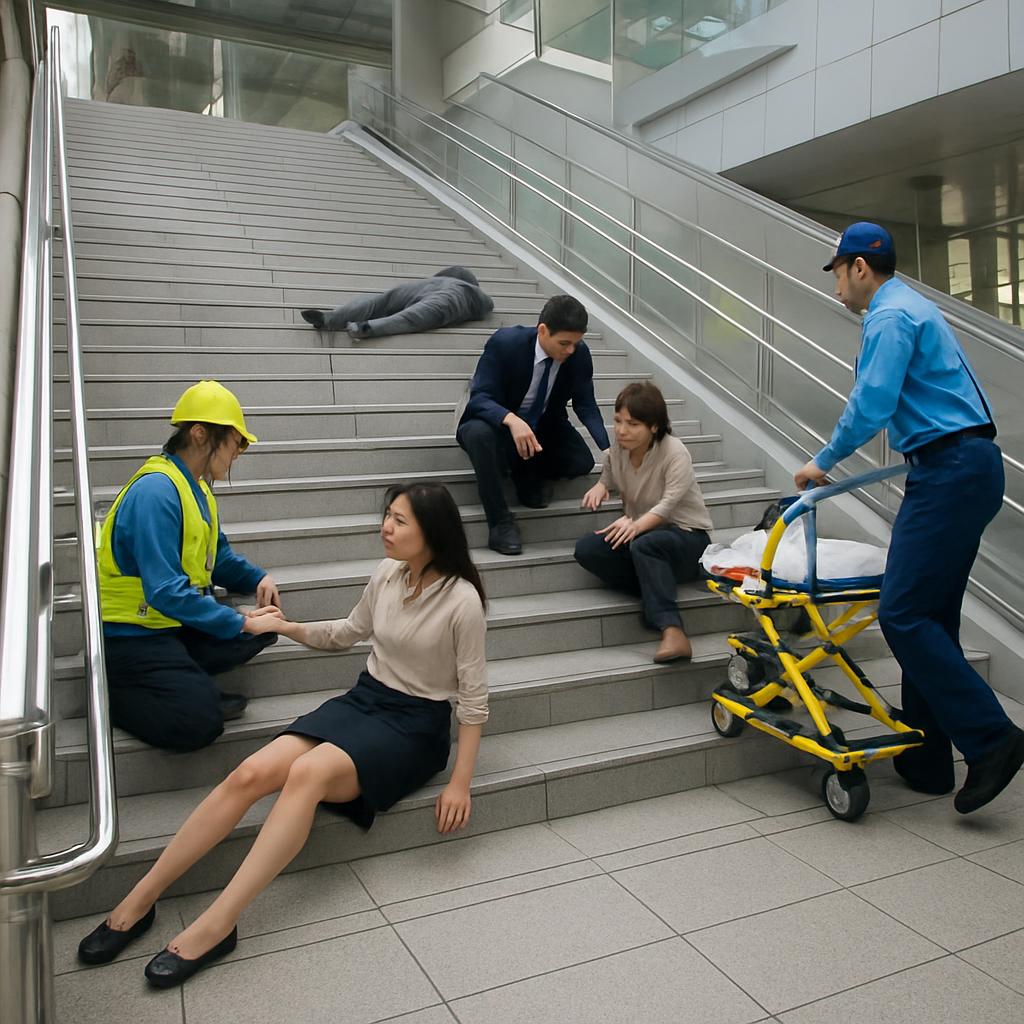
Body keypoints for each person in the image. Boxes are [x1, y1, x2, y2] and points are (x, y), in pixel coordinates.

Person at [78, 482, 488, 987]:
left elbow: (473, 700)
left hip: (416, 725)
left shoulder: (463, 600)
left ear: (433, 532)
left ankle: (218, 922)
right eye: (388, 515)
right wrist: (288, 627)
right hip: (365, 699)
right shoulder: (387, 574)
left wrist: (460, 782)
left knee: (307, 773)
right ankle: (140, 899)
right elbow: (345, 633)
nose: (386, 527)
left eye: (400, 521)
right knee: (252, 770)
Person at [796, 221, 1023, 815]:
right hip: (963, 465)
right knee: (930, 615)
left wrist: (821, 462)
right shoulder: (912, 307)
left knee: (900, 612)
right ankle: (927, 761)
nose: (836, 287)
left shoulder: (889, 317)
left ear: (860, 268)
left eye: (838, 273)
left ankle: (993, 739)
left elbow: (872, 402)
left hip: (949, 469)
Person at [98, 380, 280, 752]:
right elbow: (165, 591)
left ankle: (183, 676)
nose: (238, 453)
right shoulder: (156, 492)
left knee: (265, 630)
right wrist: (240, 619)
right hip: (132, 636)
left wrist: (259, 577)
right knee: (200, 722)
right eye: (235, 442)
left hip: (171, 625)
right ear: (200, 434)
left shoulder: (194, 488)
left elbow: (219, 559)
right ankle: (115, 693)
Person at [456, 294, 610, 555]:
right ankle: (500, 523)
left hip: (544, 424)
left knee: (581, 461)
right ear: (543, 331)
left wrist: (607, 448)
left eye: (576, 343)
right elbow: (480, 398)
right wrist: (512, 420)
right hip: (494, 421)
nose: (570, 350)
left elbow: (585, 404)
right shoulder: (505, 344)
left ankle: (526, 471)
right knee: (478, 436)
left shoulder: (578, 354)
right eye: (564, 343)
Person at [575, 382, 712, 663]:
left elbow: (667, 506)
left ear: (653, 426)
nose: (622, 430)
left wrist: (635, 526)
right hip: (645, 539)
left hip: (688, 538)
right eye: (618, 421)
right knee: (588, 549)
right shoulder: (619, 450)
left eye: (633, 424)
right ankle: (655, 589)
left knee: (647, 545)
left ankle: (672, 630)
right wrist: (602, 487)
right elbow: (610, 470)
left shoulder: (675, 452)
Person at [300, 265, 494, 340]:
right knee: (412, 317)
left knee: (381, 301)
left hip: (424, 286)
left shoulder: (440, 280)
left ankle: (332, 317)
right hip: (452, 298)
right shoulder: (473, 292)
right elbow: (487, 306)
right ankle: (366, 328)